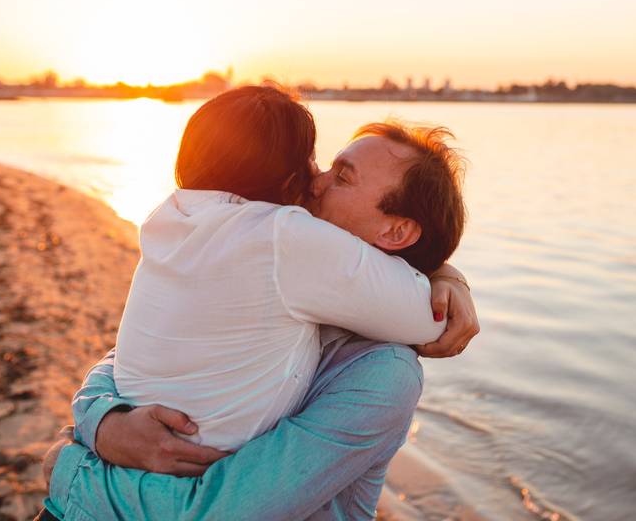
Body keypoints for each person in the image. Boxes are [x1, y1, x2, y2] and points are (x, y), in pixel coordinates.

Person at [38, 102, 478, 520]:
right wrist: (106, 422)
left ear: (396, 230)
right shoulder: (272, 271)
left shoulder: (381, 372)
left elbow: (216, 512)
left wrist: (69, 468)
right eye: (327, 165)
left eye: (342, 177)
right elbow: (124, 356)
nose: (314, 180)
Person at [110, 87, 450, 453]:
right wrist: (445, 276)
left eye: (340, 176)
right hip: (194, 482)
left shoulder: (170, 216)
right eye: (313, 161)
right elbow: (428, 320)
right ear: (287, 177)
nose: (316, 178)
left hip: (122, 448)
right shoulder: (285, 235)